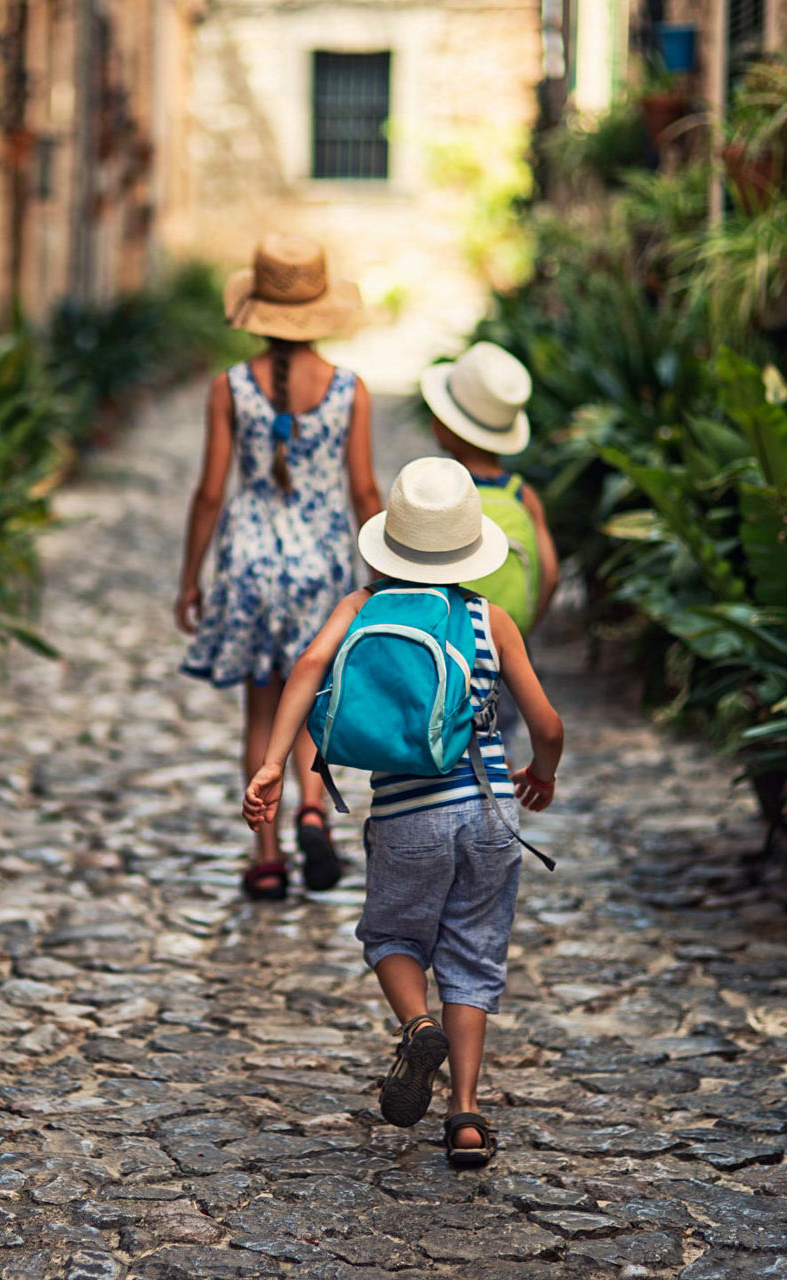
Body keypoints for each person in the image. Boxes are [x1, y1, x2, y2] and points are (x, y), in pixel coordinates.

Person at [242, 458, 564, 1167]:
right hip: (488, 816)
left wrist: (271, 762)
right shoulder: (491, 619)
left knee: (391, 936)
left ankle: (417, 1024)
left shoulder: (361, 606)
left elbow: (305, 668)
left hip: (406, 816)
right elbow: (545, 722)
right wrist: (540, 773)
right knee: (473, 956)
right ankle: (467, 1118)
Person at [176, 233, 381, 901]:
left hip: (247, 562)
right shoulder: (351, 391)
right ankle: (312, 811)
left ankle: (265, 857)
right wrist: (380, 583)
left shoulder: (230, 386)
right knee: (312, 702)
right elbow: (364, 493)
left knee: (261, 712)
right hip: (321, 564)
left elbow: (210, 491)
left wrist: (190, 578)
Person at [421, 342, 559, 744]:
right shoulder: (522, 495)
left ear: (448, 425)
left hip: (440, 643)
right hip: (504, 644)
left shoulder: (437, 489)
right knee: (497, 735)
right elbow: (549, 574)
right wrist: (520, 626)